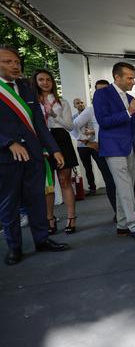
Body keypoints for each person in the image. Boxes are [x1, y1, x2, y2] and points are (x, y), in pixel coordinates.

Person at [0, 45, 69, 265]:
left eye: (16, 62)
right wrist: (8, 142)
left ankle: (42, 239)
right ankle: (14, 247)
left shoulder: (27, 88)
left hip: (34, 154)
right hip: (6, 158)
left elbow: (39, 124)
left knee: (37, 199)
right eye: (8, 61)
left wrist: (54, 149)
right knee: (9, 204)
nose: (15, 65)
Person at [93, 62, 135, 242]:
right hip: (113, 148)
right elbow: (104, 121)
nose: (133, 82)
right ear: (117, 77)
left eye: (133, 78)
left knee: (124, 187)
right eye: (130, 78)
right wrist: (129, 112)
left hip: (129, 147)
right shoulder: (102, 94)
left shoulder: (130, 98)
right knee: (125, 187)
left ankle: (122, 225)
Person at [33, 69, 79, 234]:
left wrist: (53, 114)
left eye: (48, 79)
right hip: (41, 140)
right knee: (48, 183)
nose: (45, 82)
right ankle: (49, 219)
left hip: (61, 139)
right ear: (35, 82)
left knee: (65, 180)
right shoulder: (32, 101)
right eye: (41, 79)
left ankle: (71, 218)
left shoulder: (62, 102)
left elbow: (70, 126)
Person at [72, 82, 119, 221]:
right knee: (111, 182)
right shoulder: (91, 110)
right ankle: (119, 213)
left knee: (125, 182)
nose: (103, 93)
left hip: (120, 150)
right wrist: (87, 142)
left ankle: (130, 211)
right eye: (99, 91)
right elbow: (72, 127)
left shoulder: (117, 107)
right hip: (102, 151)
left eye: (106, 90)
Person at [72, 98, 97, 196]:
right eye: (77, 103)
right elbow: (73, 132)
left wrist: (92, 132)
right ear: (75, 106)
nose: (80, 104)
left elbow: (99, 128)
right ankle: (92, 188)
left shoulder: (92, 114)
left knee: (102, 164)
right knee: (87, 168)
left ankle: (109, 185)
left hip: (94, 144)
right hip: (82, 146)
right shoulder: (73, 118)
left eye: (82, 102)